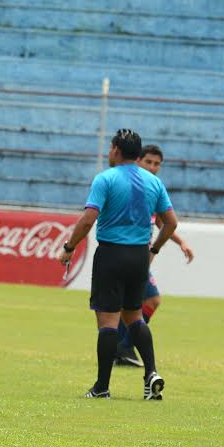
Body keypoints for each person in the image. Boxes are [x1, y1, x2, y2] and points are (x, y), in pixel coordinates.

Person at [58, 129, 178, 400]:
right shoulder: (153, 182)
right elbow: (171, 222)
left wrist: (69, 248)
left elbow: (88, 219)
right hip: (139, 256)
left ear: (115, 150)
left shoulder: (106, 179)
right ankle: (151, 374)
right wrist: (154, 249)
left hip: (111, 254)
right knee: (134, 316)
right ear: (138, 154)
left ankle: (102, 387)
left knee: (108, 321)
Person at [115, 144, 195, 367]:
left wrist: (181, 242)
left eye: (157, 163)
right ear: (138, 161)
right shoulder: (133, 186)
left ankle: (121, 347)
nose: (152, 167)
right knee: (149, 300)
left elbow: (162, 222)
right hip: (130, 253)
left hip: (138, 255)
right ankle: (124, 346)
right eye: (148, 162)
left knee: (131, 305)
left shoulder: (151, 187)